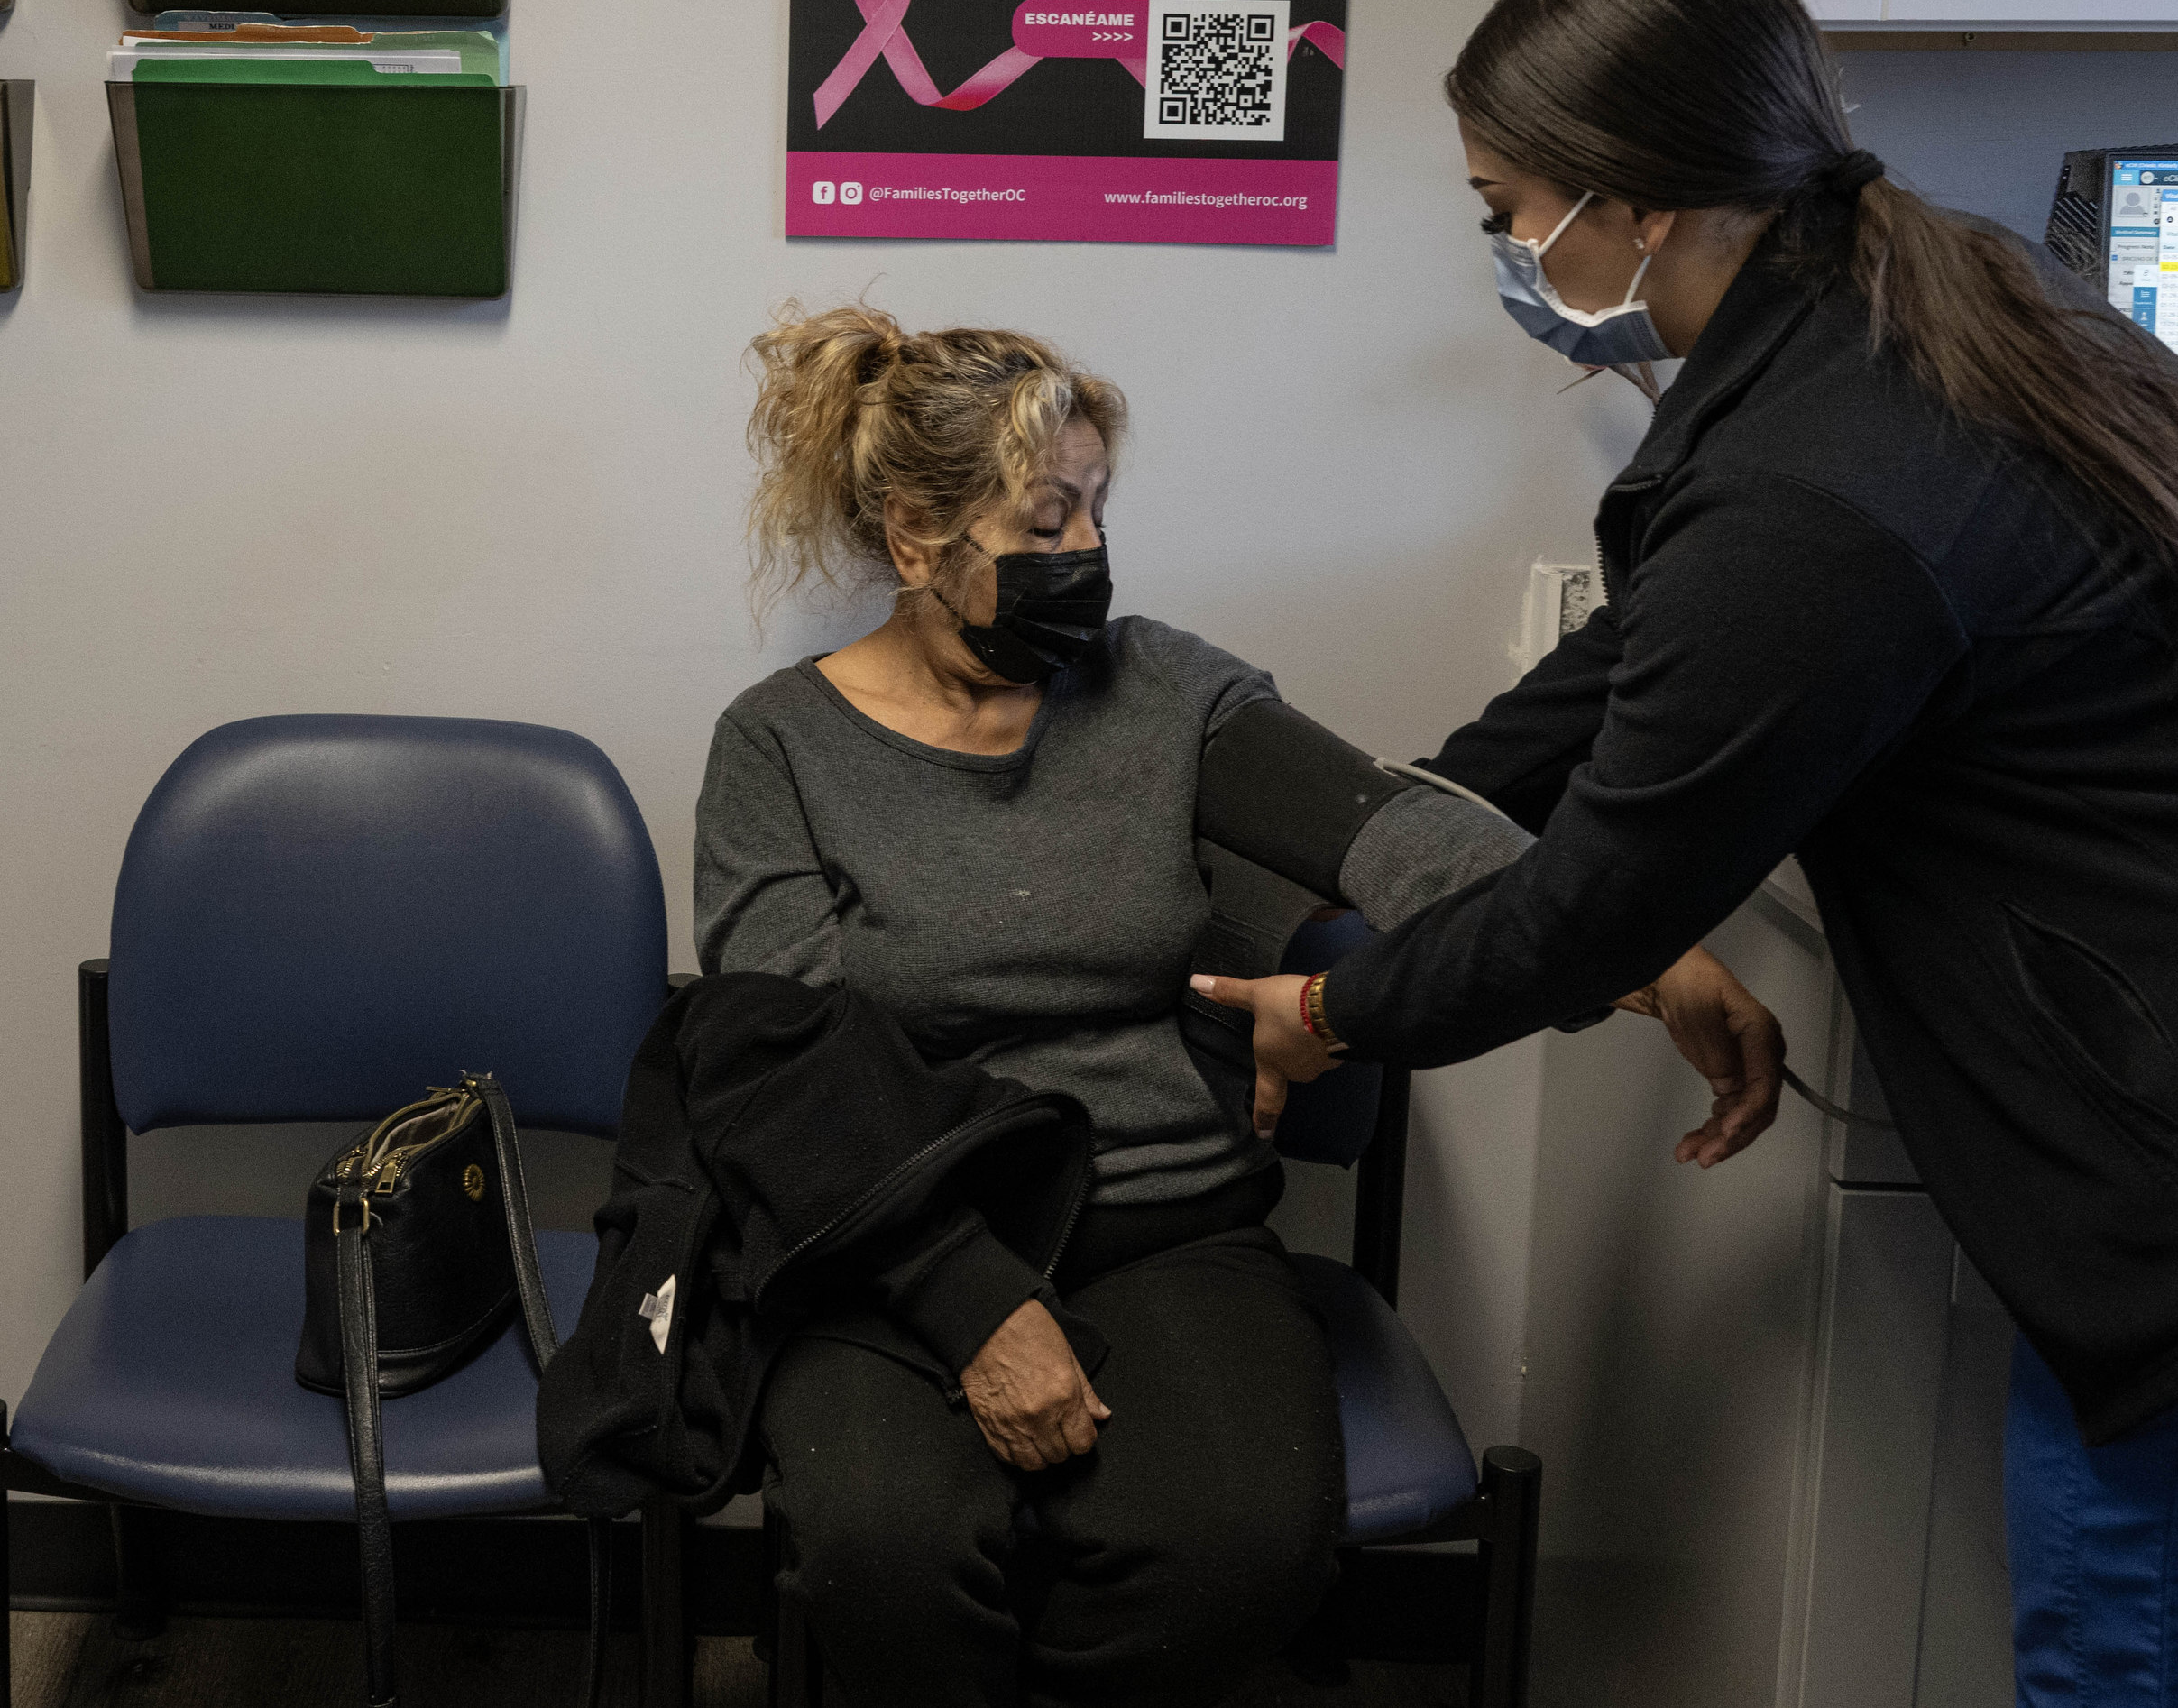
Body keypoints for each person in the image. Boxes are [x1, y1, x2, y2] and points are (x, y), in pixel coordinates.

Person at [1196, 0, 2178, 1707]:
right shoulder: (1896, 306)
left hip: (2151, 1168)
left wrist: (1332, 1008)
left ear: (1632, 203)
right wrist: (1379, 821)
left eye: (1505, 204)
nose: (1503, 247)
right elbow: (1611, 691)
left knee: (2110, 1645)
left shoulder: (1823, 483)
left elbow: (1585, 900)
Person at [699, 306, 1762, 1706]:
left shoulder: (1161, 691)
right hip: (896, 1240)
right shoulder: (778, 744)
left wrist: (1634, 942)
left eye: (1095, 510)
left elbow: (1398, 835)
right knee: (889, 1545)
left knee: (1243, 1547)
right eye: (1045, 520)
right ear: (914, 538)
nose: (1084, 552)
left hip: (1164, 1223)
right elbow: (793, 1070)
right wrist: (971, 1303)